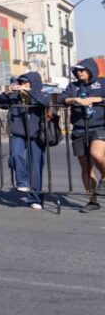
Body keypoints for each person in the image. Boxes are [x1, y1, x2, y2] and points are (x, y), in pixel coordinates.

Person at [0, 74, 46, 208]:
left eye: (25, 82)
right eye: (21, 82)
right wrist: (7, 92)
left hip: (36, 134)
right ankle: (22, 182)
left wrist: (30, 92)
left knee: (35, 166)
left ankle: (35, 198)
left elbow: (45, 102)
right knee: (15, 155)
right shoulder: (15, 96)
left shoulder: (39, 94)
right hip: (18, 133)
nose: (22, 85)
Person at [62, 59, 105, 213]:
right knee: (86, 167)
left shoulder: (102, 83)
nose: (79, 73)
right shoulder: (73, 86)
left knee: (96, 155)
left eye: (82, 70)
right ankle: (92, 200)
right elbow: (62, 99)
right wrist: (75, 99)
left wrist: (96, 99)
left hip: (99, 126)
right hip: (79, 129)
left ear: (90, 69)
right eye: (76, 71)